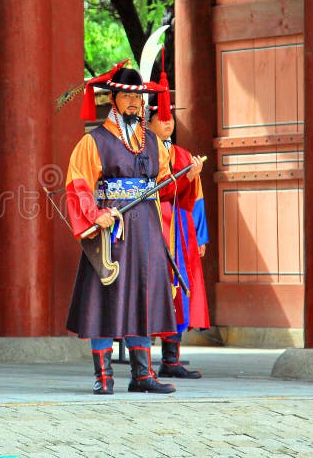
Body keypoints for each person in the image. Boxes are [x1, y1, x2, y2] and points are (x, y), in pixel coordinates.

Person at [65, 61, 199, 394]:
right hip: (112, 230)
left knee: (145, 296)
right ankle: (104, 376)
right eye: (128, 97)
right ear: (113, 99)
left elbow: (165, 187)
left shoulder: (152, 142)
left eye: (139, 98)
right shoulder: (94, 141)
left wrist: (187, 178)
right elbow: (78, 183)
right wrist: (95, 214)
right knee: (104, 297)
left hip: (148, 231)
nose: (135, 104)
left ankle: (142, 375)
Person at [147, 98, 210, 379]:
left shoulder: (183, 155)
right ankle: (142, 362)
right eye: (161, 118)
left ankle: (171, 359)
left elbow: (197, 198)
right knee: (154, 287)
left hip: (181, 229)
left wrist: (200, 235)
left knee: (180, 288)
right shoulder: (143, 153)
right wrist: (186, 178)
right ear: (148, 122)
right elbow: (158, 190)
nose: (168, 122)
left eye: (170, 117)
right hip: (154, 224)